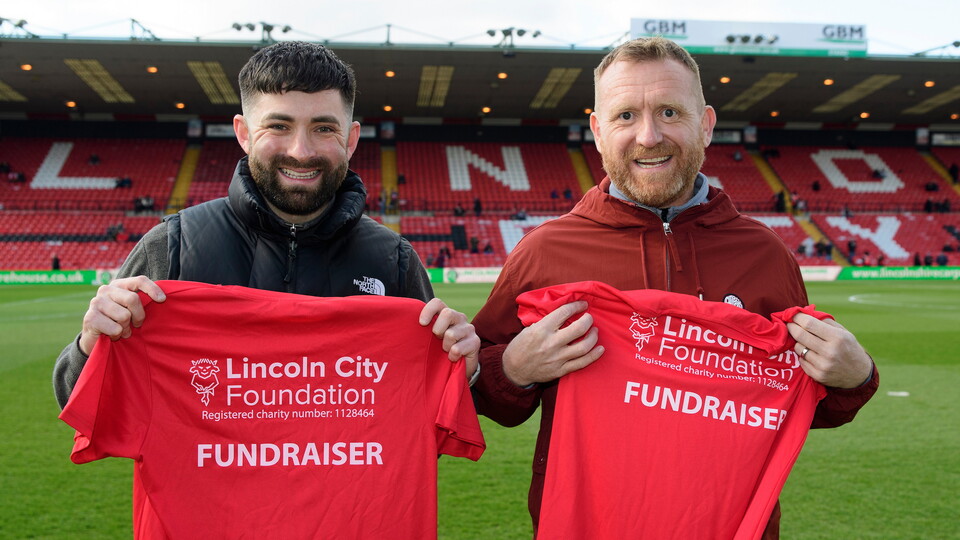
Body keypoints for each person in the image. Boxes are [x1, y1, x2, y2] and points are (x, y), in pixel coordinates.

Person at [470, 37, 877, 538]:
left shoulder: (765, 254)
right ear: (597, 131)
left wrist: (855, 380)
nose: (647, 136)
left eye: (668, 111)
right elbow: (479, 395)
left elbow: (794, 402)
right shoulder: (545, 252)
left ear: (705, 124)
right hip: (588, 526)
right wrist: (512, 369)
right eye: (624, 116)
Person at [53, 41, 479, 410]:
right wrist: (93, 342)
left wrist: (462, 366)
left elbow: (428, 417)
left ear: (350, 140)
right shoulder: (172, 246)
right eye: (279, 125)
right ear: (243, 132)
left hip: (349, 506)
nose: (301, 150)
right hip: (207, 505)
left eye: (323, 128)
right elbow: (81, 401)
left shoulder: (394, 261)